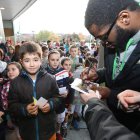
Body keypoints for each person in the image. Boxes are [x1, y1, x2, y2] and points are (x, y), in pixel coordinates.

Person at [82, 0, 140, 135]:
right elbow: (115, 70)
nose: (103, 44)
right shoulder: (112, 40)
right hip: (113, 119)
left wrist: (109, 93)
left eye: (104, 37)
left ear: (124, 18)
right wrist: (99, 74)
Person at [8, 42, 62, 140]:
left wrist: (50, 104)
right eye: (27, 60)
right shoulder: (15, 83)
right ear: (21, 61)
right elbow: (12, 106)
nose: (32, 64)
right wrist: (25, 109)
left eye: (35, 60)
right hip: (27, 132)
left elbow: (58, 99)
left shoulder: (50, 79)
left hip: (48, 132)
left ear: (41, 60)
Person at [46, 50, 69, 140]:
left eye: (57, 60)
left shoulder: (63, 71)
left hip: (60, 101)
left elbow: (67, 84)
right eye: (52, 60)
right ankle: (51, 133)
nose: (55, 62)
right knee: (49, 119)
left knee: (59, 118)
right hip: (48, 100)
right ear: (48, 60)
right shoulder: (43, 72)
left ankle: (58, 131)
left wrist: (67, 91)